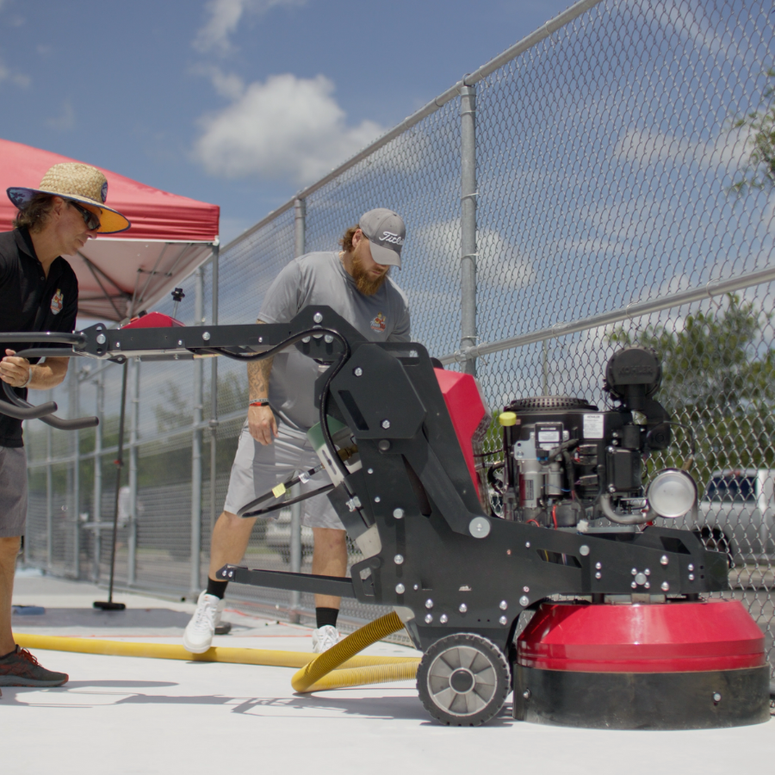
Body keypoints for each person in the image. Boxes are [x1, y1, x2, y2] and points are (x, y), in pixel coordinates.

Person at [184, 208, 410, 654]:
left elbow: (395, 372)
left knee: (331, 529)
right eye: (377, 253)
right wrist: (257, 401)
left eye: (391, 258)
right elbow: (262, 337)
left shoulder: (395, 304)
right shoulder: (306, 273)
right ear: (356, 237)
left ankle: (326, 628)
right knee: (240, 511)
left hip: (340, 432)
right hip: (281, 419)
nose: (382, 265)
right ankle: (211, 600)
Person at [0, 163, 130, 692]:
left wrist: (27, 372)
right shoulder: (2, 258)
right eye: (89, 218)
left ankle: (3, 653)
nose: (92, 231)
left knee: (7, 541)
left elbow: (56, 369)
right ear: (57, 207)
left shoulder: (64, 281)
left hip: (9, 425)